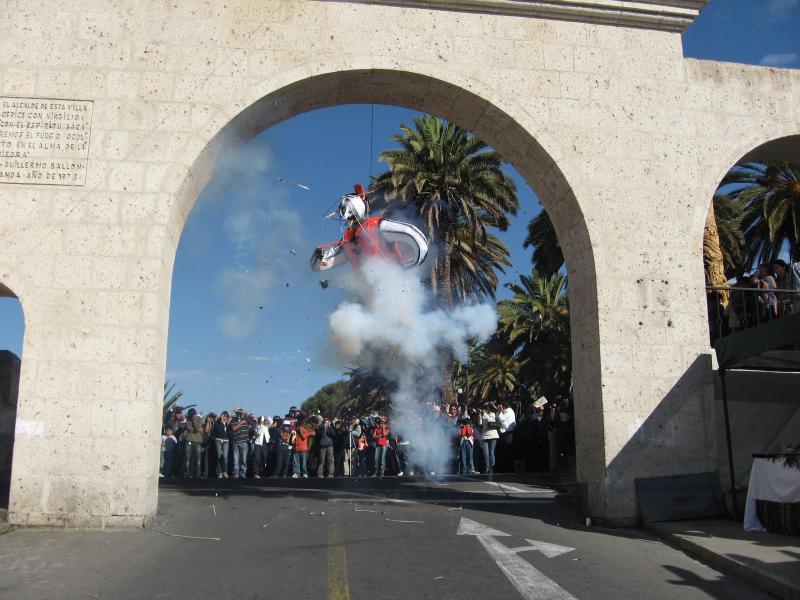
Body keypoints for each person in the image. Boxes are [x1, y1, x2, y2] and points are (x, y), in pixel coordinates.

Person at [229, 409, 252, 479]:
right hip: (235, 442)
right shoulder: (233, 420)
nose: (238, 414)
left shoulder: (246, 419)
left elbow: (247, 413)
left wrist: (238, 411)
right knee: (236, 460)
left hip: (244, 442)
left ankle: (243, 473)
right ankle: (236, 474)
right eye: (237, 413)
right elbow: (234, 428)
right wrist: (241, 423)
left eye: (240, 413)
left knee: (243, 459)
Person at [183, 408, 204, 478]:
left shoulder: (199, 419)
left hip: (198, 441)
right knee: (187, 458)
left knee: (198, 458)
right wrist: (197, 429)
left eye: (193, 414)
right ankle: (187, 473)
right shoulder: (188, 420)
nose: (192, 416)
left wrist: (194, 421)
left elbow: (198, 427)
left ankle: (198, 474)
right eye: (191, 415)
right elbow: (189, 428)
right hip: (189, 440)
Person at [478, 406, 500, 474]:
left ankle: (492, 468)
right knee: (486, 454)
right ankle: (487, 468)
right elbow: (480, 423)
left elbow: (490, 421)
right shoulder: (483, 414)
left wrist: (485, 414)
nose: (485, 410)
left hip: (493, 435)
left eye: (486, 408)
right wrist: (480, 415)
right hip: (484, 435)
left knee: (491, 452)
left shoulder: (493, 414)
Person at [212, 411, 231, 478]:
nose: (225, 417)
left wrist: (227, 424)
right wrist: (220, 421)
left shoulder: (228, 424)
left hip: (226, 441)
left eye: (226, 416)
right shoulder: (217, 423)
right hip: (218, 440)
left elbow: (229, 433)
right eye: (223, 416)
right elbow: (216, 430)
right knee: (219, 456)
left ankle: (225, 471)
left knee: (225, 457)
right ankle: (220, 472)